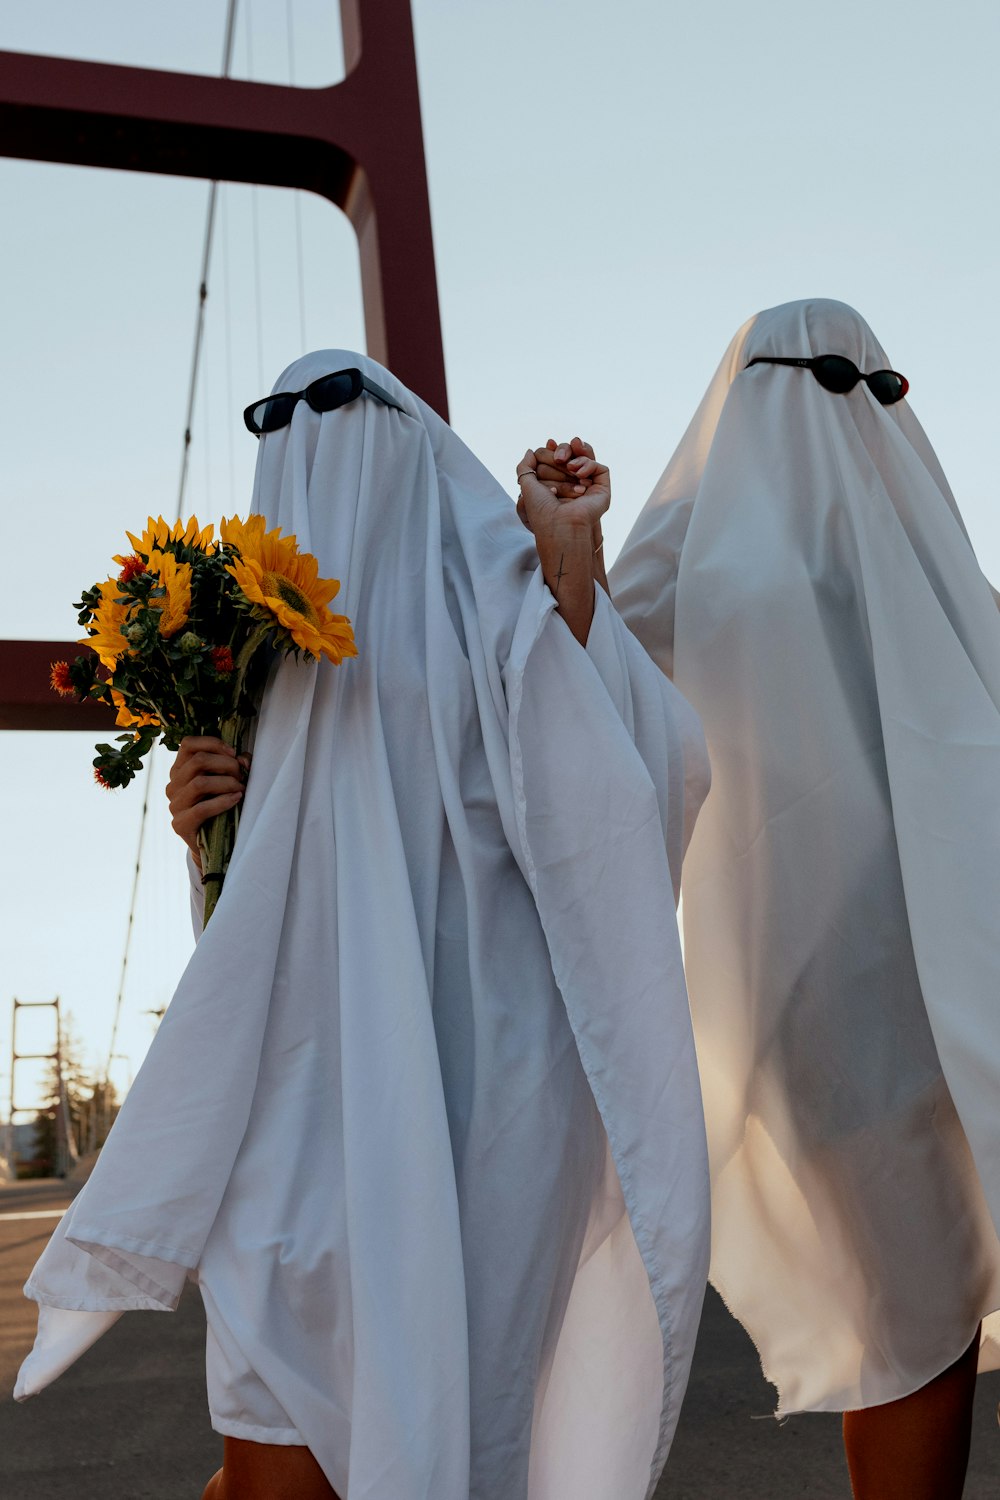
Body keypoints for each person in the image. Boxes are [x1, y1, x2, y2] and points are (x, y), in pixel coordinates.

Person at [15, 351, 712, 1500]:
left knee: (453, 1418)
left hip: (479, 1116)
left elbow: (626, 789)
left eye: (340, 408)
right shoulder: (248, 658)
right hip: (294, 1113)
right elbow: (272, 918)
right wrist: (207, 843)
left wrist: (566, 573)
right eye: (277, 420)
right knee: (270, 1416)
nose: (305, 441)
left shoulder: (508, 615)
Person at [535, 297, 1000, 1500]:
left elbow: (584, 691)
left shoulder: (723, 549)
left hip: (808, 990)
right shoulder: (913, 536)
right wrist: (568, 550)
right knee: (913, 1299)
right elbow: (586, 696)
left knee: (904, 1300)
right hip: (886, 979)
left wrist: (575, 553)